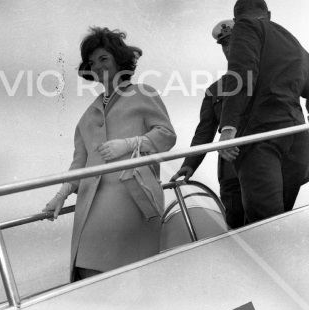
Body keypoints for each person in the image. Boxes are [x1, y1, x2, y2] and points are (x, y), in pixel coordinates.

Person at [42, 27, 176, 281]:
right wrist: (61, 194)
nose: (98, 66)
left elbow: (167, 134)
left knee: (125, 276)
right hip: (90, 206)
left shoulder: (143, 93)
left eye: (104, 58)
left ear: (118, 59)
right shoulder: (88, 115)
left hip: (131, 199)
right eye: (92, 62)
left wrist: (130, 143)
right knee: (89, 272)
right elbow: (80, 162)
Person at [218, 0, 309, 224]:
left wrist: (228, 129)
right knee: (279, 221)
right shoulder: (293, 42)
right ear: (268, 15)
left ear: (236, 20)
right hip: (296, 140)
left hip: (261, 140)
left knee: (264, 224)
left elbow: (242, 74)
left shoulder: (247, 26)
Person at [170, 20, 244, 229]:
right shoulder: (214, 90)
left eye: (233, 42)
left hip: (265, 169)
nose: (229, 49)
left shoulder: (262, 80)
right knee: (237, 232)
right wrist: (189, 164)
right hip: (231, 174)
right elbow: (204, 132)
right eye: (224, 45)